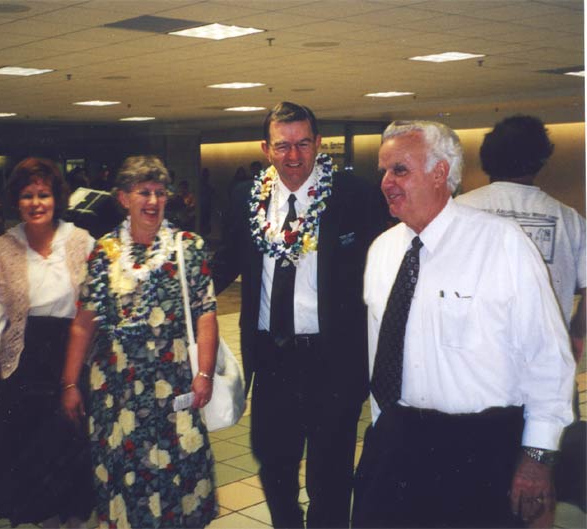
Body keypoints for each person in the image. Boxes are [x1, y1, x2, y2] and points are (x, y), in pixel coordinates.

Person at [352, 120, 575, 528]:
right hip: (397, 438)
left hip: (480, 447)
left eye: (399, 170)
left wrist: (536, 457)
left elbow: (548, 357)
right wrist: (383, 428)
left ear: (440, 172)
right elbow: (378, 351)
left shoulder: (501, 244)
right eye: (383, 171)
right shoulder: (383, 251)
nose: (386, 182)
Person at [212, 101, 388, 528]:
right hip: (272, 358)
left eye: (303, 144)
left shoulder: (353, 196)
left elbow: (384, 264)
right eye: (282, 146)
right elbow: (225, 262)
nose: (294, 156)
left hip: (333, 359)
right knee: (274, 465)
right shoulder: (246, 197)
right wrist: (180, 298)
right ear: (265, 148)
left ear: (319, 143)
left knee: (331, 474)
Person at [61, 155, 219, 528]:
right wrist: (69, 383)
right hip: (117, 395)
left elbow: (206, 314)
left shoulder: (187, 247)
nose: (153, 201)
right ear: (123, 198)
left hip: (173, 388)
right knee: (124, 482)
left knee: (176, 479)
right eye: (143, 192)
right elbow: (83, 324)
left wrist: (205, 374)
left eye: (160, 192)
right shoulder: (104, 253)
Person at [0, 157, 95, 528]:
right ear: (17, 201)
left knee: (70, 450)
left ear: (57, 198)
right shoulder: (2, 248)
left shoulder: (81, 241)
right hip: (22, 365)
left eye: (43, 194)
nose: (36, 203)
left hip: (71, 360)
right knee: (31, 456)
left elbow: (97, 306)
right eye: (27, 195)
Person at [456, 115, 586, 362]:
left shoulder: (458, 211)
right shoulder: (569, 220)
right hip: (546, 358)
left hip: (472, 359)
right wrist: (577, 332)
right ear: (541, 159)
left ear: (486, 157)